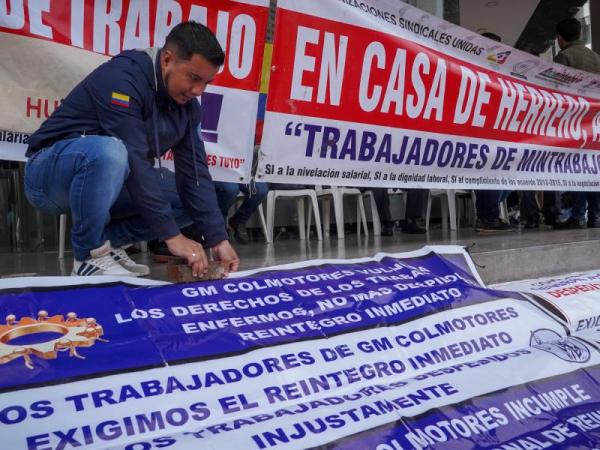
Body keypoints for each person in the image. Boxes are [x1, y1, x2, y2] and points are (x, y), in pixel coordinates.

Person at [24, 22, 239, 278]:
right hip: (46, 176)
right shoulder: (123, 77)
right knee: (111, 152)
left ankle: (108, 244)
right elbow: (135, 160)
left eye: (206, 82)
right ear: (167, 60)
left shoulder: (188, 108)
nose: (198, 91)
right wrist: (172, 236)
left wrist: (218, 238)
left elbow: (194, 173)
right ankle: (88, 257)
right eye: (193, 78)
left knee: (197, 195)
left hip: (112, 181)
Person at [553, 18, 600, 229]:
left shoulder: (564, 56)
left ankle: (578, 216)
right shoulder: (596, 58)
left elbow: (554, 90)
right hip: (597, 122)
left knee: (578, 168)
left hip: (574, 122)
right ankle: (596, 216)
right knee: (595, 168)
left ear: (560, 39)